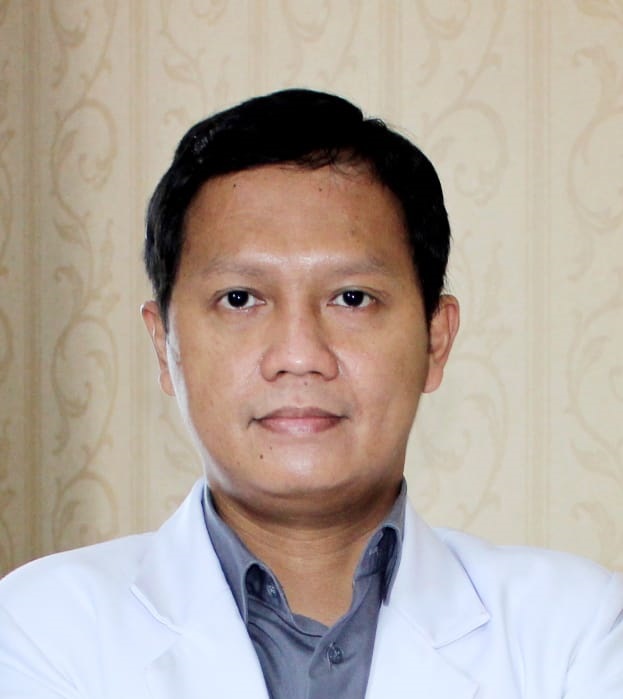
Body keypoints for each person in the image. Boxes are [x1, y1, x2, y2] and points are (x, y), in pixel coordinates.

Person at [0, 89, 621, 699]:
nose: (299, 355)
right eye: (240, 299)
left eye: (352, 298)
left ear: (436, 340)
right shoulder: (38, 631)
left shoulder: (577, 633)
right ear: (165, 346)